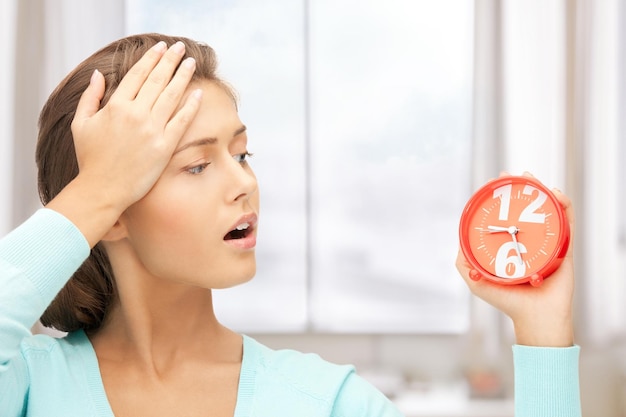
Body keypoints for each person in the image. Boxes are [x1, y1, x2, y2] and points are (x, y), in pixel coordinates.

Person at [0, 33, 580, 416]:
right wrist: (97, 188)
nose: (244, 183)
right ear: (112, 211)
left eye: (243, 154)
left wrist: (543, 332)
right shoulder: (28, 387)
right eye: (197, 164)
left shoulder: (326, 402)